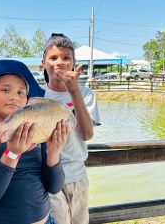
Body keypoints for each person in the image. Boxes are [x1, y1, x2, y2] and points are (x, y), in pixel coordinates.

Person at [0, 59, 69, 224]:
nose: (14, 97)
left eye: (21, 92)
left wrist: (53, 154)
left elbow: (54, 187)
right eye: (5, 90)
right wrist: (12, 153)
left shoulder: (38, 132)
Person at [41, 33, 101, 224]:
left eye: (66, 57)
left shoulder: (85, 93)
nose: (60, 62)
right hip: (47, 177)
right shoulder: (35, 95)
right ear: (43, 63)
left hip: (78, 175)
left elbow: (86, 134)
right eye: (53, 58)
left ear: (74, 63)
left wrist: (74, 91)